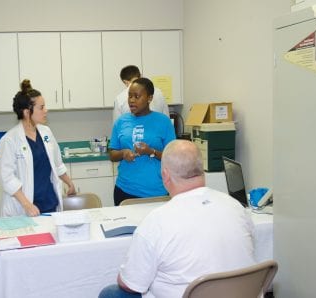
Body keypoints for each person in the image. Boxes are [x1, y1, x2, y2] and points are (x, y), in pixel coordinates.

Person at [99, 140, 255, 298]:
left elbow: (129, 284)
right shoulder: (236, 207)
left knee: (110, 293)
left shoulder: (156, 222)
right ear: (202, 171)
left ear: (165, 175)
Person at [0, 79, 76, 217]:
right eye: (41, 107)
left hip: (49, 204)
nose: (46, 110)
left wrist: (69, 183)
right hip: (25, 209)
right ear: (27, 112)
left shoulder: (46, 132)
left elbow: (57, 163)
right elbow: (7, 178)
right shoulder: (9, 140)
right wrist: (27, 205)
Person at [109, 77, 176, 206]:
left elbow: (172, 158)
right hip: (124, 190)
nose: (132, 100)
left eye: (137, 96)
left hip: (156, 192)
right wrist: (123, 153)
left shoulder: (163, 122)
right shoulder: (121, 122)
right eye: (129, 96)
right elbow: (112, 154)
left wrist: (151, 151)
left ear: (149, 98)